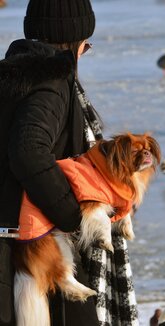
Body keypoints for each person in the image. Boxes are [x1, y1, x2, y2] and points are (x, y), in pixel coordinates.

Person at [0, 0, 139, 325]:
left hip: (16, 249)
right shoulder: (51, 84)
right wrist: (74, 217)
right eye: (86, 47)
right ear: (73, 43)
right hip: (39, 251)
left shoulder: (11, 78)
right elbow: (28, 152)